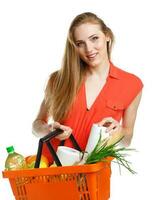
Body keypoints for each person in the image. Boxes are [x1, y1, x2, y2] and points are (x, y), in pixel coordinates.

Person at [32, 12, 143, 199]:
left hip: (91, 179)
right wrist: (49, 129)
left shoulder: (131, 84)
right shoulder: (59, 80)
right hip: (50, 174)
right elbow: (36, 125)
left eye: (94, 39)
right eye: (80, 43)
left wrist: (116, 133)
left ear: (107, 36)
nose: (89, 49)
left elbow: (127, 138)